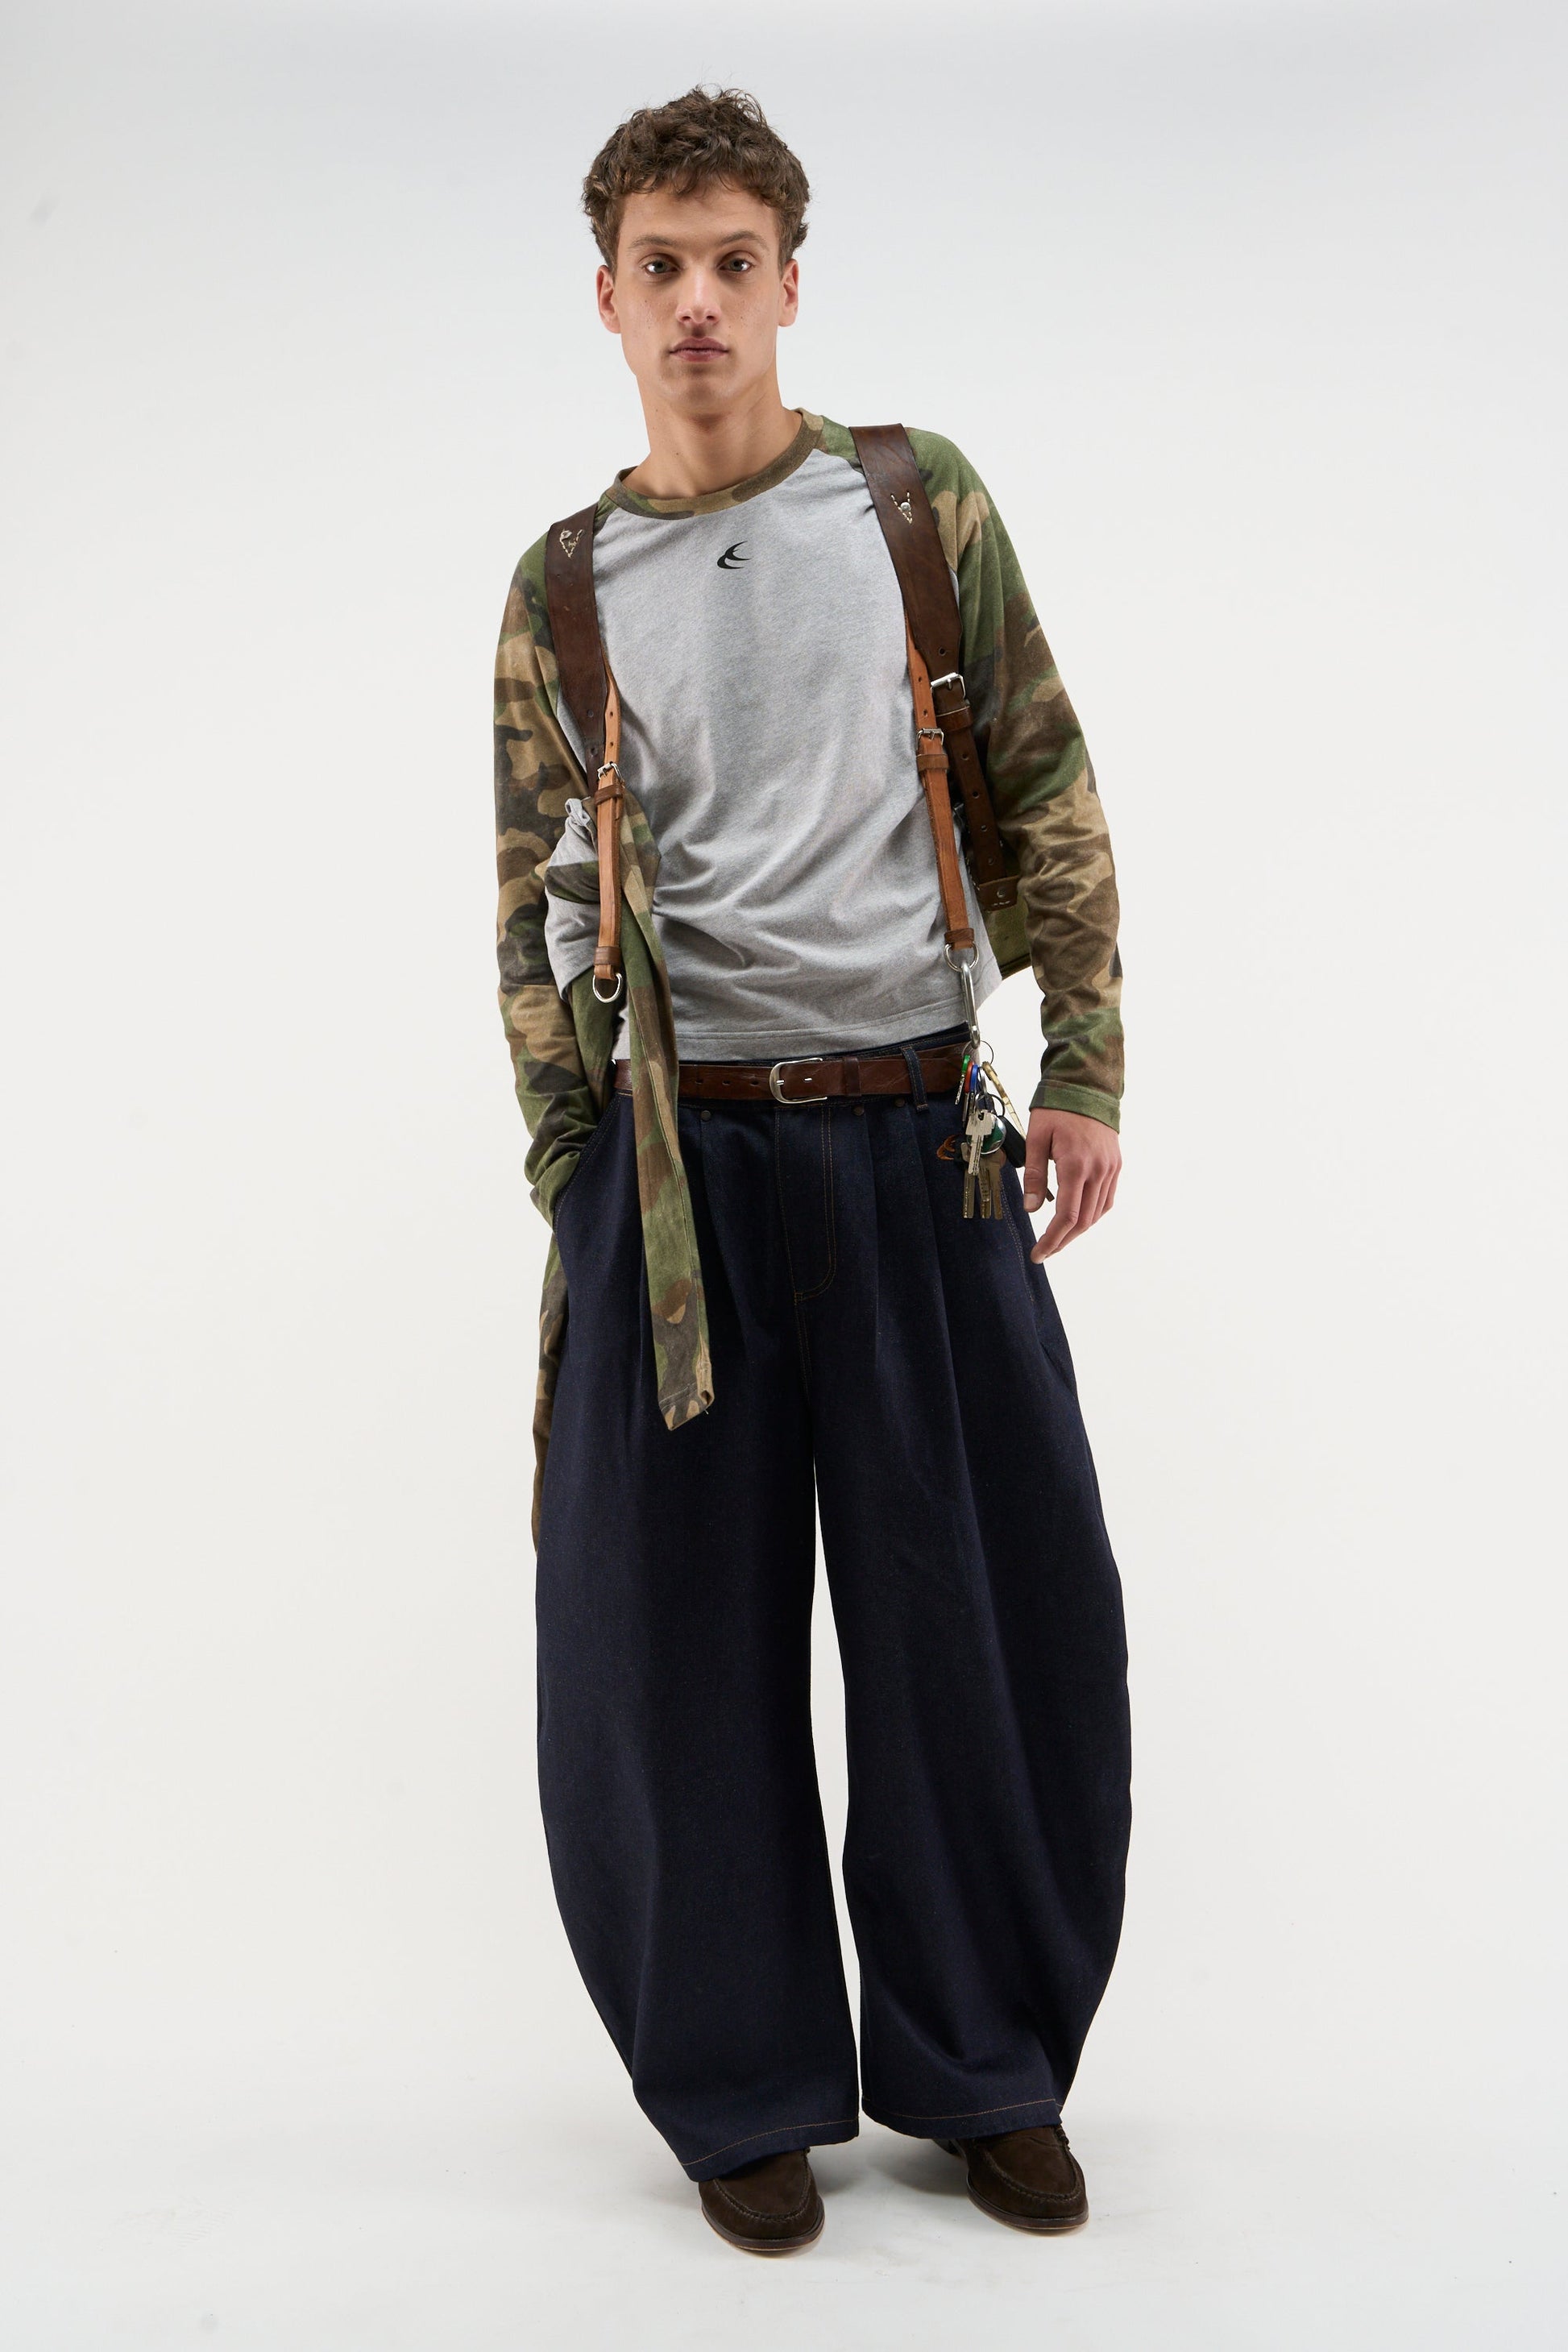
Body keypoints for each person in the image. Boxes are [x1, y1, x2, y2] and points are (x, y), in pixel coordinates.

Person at [492, 85, 1130, 2256]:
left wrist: (1085, 1065)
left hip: (919, 1142)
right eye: (657, 268)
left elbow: (1044, 773)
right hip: (681, 1176)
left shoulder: (912, 501)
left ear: (787, 285)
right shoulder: (561, 584)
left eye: (731, 264)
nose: (697, 303)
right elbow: (526, 908)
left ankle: (985, 2065)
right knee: (665, 1648)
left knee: (984, 1618)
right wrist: (582, 1179)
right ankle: (740, 2081)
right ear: (606, 299)